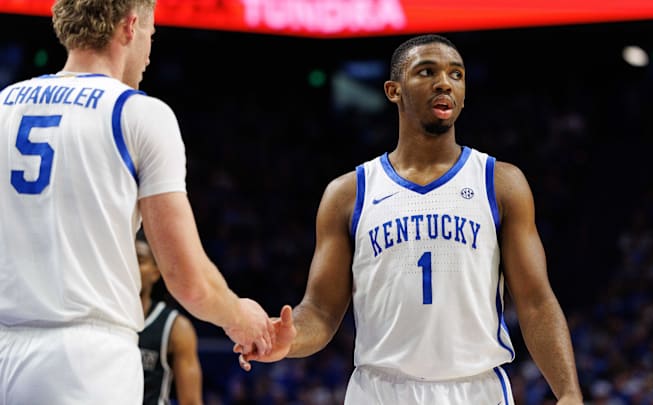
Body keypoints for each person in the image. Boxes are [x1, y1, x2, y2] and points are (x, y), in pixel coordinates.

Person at [247, 34, 584, 404]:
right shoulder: (348, 193)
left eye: (456, 75)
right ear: (394, 90)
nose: (444, 82)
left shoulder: (500, 182)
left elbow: (536, 301)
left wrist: (568, 392)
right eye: (426, 71)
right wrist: (289, 339)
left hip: (474, 388)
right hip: (378, 390)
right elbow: (322, 311)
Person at [0, 1, 275, 403]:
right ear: (130, 27)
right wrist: (241, 318)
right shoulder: (138, 113)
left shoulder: (5, 103)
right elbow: (187, 279)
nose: (149, 48)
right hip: (87, 362)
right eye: (151, 32)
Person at [137, 237, 204, 405]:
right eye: (127, 260)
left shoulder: (175, 327)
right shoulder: (102, 319)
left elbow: (191, 401)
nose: (131, 267)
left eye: (140, 260)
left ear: (155, 272)